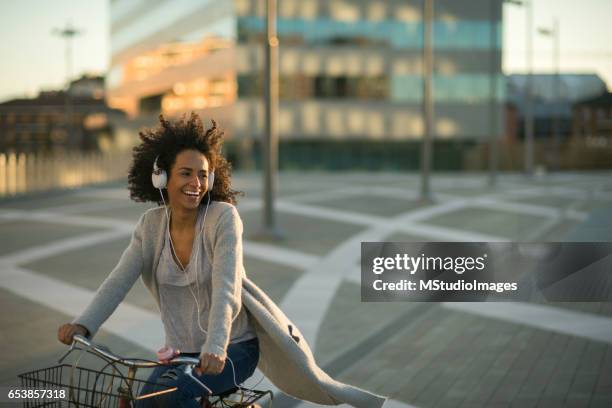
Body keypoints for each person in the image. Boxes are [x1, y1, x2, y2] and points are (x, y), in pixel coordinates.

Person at [57, 113, 387, 408]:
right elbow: (118, 280)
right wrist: (84, 324)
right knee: (146, 403)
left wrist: (216, 346)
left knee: (177, 395)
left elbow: (226, 287)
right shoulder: (151, 226)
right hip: (180, 354)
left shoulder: (222, 218)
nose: (196, 183)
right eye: (185, 173)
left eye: (203, 175)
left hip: (233, 350)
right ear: (162, 178)